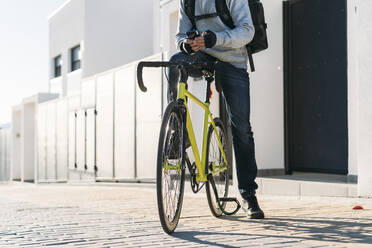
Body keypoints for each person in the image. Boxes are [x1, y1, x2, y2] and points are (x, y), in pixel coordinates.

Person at [168, 0, 264, 219]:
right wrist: (185, 44)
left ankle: (248, 195)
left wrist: (215, 38)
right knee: (175, 62)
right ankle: (178, 130)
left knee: (241, 128)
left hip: (232, 60)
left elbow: (247, 31)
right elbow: (181, 35)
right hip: (203, 57)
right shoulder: (188, 1)